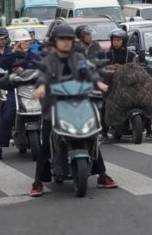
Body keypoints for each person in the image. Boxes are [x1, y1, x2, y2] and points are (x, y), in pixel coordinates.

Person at [30, 24, 117, 197]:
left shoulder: (77, 58)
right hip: (54, 106)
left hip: (78, 103)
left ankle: (102, 175)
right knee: (46, 142)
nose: (65, 42)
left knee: (90, 134)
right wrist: (41, 87)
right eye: (62, 39)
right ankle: (38, 181)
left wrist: (98, 83)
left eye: (68, 39)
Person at [100, 29, 152, 142]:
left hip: (130, 86)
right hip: (114, 87)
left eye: (118, 40)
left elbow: (138, 70)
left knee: (147, 102)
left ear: (124, 41)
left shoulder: (132, 55)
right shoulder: (107, 54)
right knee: (104, 104)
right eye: (114, 40)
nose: (116, 42)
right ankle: (104, 133)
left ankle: (149, 131)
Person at [0, 29, 41, 160]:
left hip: (34, 90)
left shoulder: (34, 56)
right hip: (16, 90)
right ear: (16, 43)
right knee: (8, 114)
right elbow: (0, 64)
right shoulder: (10, 55)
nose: (26, 44)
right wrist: (14, 52)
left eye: (28, 42)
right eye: (22, 42)